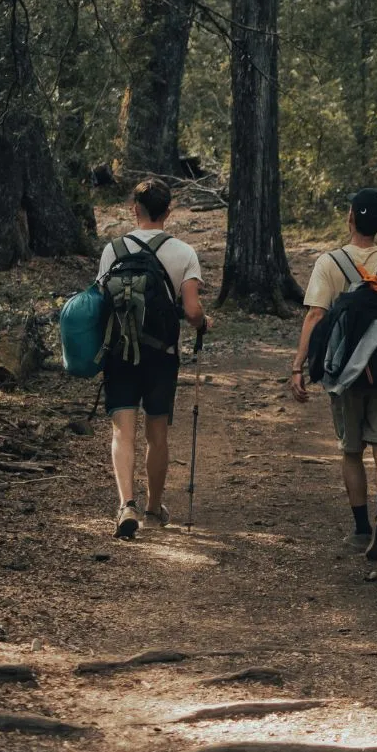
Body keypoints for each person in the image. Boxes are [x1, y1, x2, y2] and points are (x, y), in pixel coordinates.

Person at [290, 188, 377, 561]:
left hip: (343, 375)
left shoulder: (330, 264)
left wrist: (299, 365)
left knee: (351, 451)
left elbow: (315, 316)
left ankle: (361, 528)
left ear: (350, 218)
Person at [99, 178, 209, 539]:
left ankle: (125, 503)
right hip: (162, 354)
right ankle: (152, 508)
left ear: (135, 209)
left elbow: (101, 300)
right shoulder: (183, 253)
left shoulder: (113, 249)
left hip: (118, 351)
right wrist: (203, 321)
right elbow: (192, 311)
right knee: (156, 433)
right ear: (169, 211)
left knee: (122, 430)